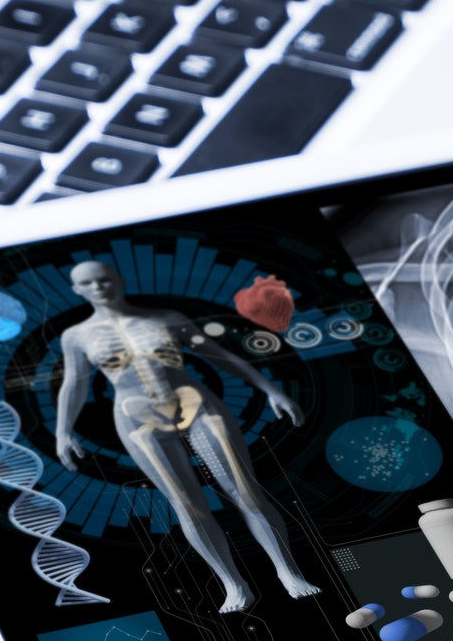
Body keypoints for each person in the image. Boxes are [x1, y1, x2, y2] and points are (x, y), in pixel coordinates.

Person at [54, 260, 320, 612]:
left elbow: (217, 354)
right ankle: (233, 585)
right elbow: (75, 382)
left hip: (197, 406)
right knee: (186, 503)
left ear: (118, 279)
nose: (99, 287)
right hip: (137, 417)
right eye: (89, 283)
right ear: (78, 290)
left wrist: (270, 389)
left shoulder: (167, 317)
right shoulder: (76, 336)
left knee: (244, 489)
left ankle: (288, 572)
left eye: (104, 279)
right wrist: (62, 431)